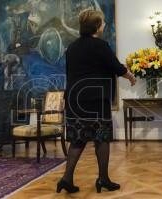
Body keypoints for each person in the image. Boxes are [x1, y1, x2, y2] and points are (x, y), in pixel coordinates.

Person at [57, 9, 136, 194]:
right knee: (102, 138)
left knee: (78, 139)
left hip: (75, 98)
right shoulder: (100, 45)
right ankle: (103, 178)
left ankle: (66, 179)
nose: (104, 26)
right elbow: (117, 68)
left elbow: (70, 74)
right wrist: (131, 77)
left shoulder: (72, 47)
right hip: (95, 98)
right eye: (102, 23)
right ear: (97, 26)